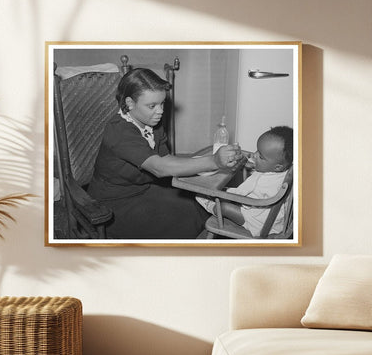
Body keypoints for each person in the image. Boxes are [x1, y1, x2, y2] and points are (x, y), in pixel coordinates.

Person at [87, 68, 241, 239]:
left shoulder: (150, 122)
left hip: (143, 189)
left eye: (162, 103)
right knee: (186, 218)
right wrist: (214, 161)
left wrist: (202, 167)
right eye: (152, 106)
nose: (160, 111)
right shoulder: (120, 131)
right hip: (113, 205)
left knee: (198, 204)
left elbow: (165, 158)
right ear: (129, 103)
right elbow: (159, 167)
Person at [196, 126, 293, 237]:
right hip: (277, 222)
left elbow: (239, 193)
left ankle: (210, 206)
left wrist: (218, 193)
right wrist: (254, 164)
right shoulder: (284, 171)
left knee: (224, 206)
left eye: (260, 156)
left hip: (259, 223)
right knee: (226, 193)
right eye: (257, 151)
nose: (255, 155)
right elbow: (264, 172)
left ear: (277, 167)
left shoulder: (261, 183)